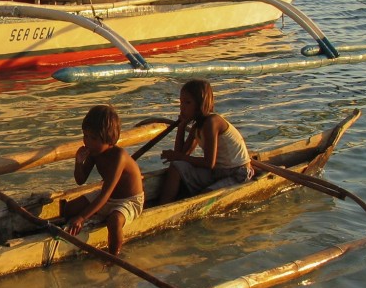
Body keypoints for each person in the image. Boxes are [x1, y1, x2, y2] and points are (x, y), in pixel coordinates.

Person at [61, 105, 146, 255]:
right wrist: (78, 162)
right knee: (68, 209)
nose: (87, 142)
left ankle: (113, 256)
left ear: (109, 140)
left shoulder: (118, 157)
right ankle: (78, 226)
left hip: (128, 200)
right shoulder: (94, 152)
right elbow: (80, 180)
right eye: (85, 136)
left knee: (113, 222)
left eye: (93, 138)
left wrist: (81, 217)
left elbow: (105, 194)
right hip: (108, 196)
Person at [157, 78, 253, 204]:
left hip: (236, 173)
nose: (182, 107)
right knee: (176, 166)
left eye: (187, 103)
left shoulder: (211, 122)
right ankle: (163, 205)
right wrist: (181, 127)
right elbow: (180, 156)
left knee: (204, 198)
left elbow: (209, 163)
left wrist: (177, 155)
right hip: (216, 172)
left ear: (200, 104)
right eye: (181, 103)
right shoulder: (197, 126)